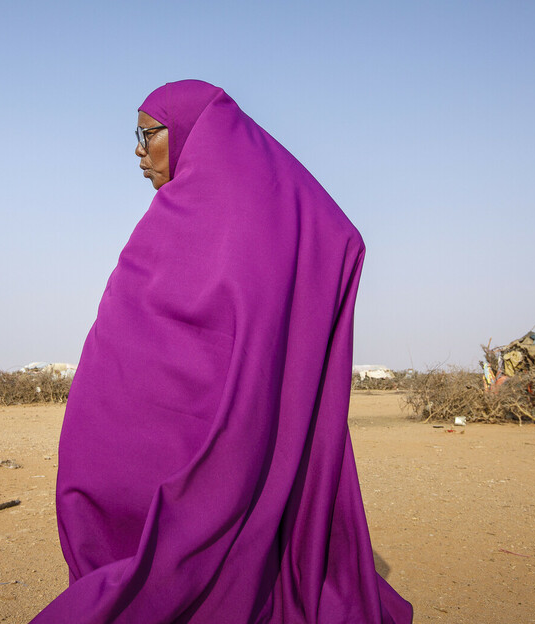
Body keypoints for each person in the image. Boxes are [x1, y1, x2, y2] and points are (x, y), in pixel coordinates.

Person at [32, 80, 412, 623]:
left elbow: (335, 238)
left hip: (215, 429)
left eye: (148, 135)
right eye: (135, 137)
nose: (138, 152)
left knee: (189, 554)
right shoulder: (186, 212)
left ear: (188, 132)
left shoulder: (241, 213)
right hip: (152, 425)